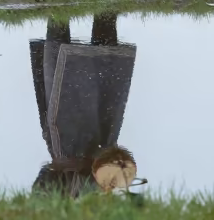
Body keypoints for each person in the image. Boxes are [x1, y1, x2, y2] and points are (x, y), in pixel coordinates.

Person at [29, 13, 139, 196]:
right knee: (105, 69)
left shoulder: (48, 208)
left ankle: (60, 4)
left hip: (68, 146)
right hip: (100, 149)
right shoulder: (99, 204)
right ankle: (104, 9)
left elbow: (42, 183)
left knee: (59, 61)